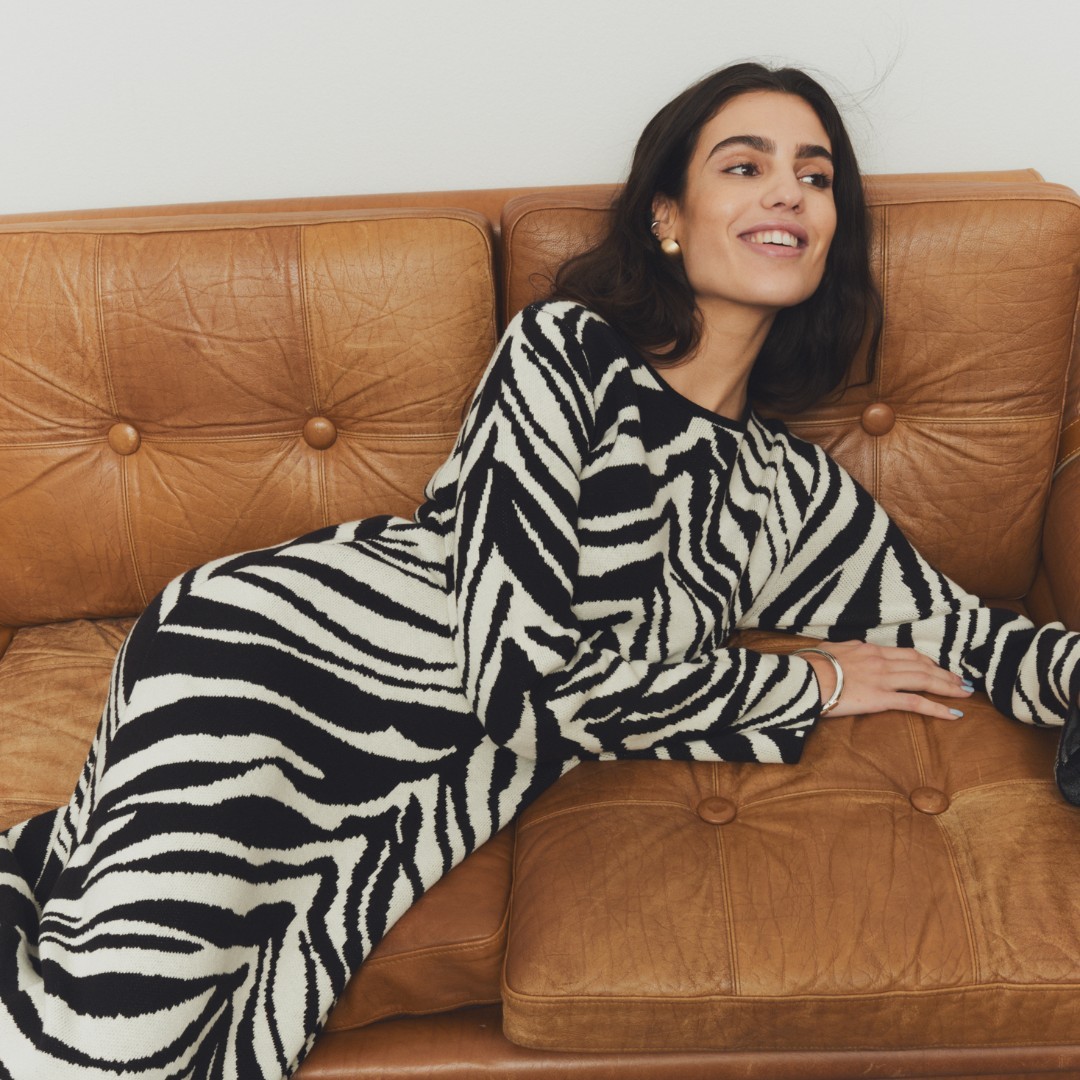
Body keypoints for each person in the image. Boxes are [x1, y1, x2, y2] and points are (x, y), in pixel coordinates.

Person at [0, 62, 1077, 1080]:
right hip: (269, 654)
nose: (787, 192)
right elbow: (520, 681)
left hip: (401, 757)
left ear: (833, 229)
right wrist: (813, 683)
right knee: (107, 1050)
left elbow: (969, 637)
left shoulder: (789, 492)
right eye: (744, 165)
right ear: (667, 217)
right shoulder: (566, 352)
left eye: (815, 174)